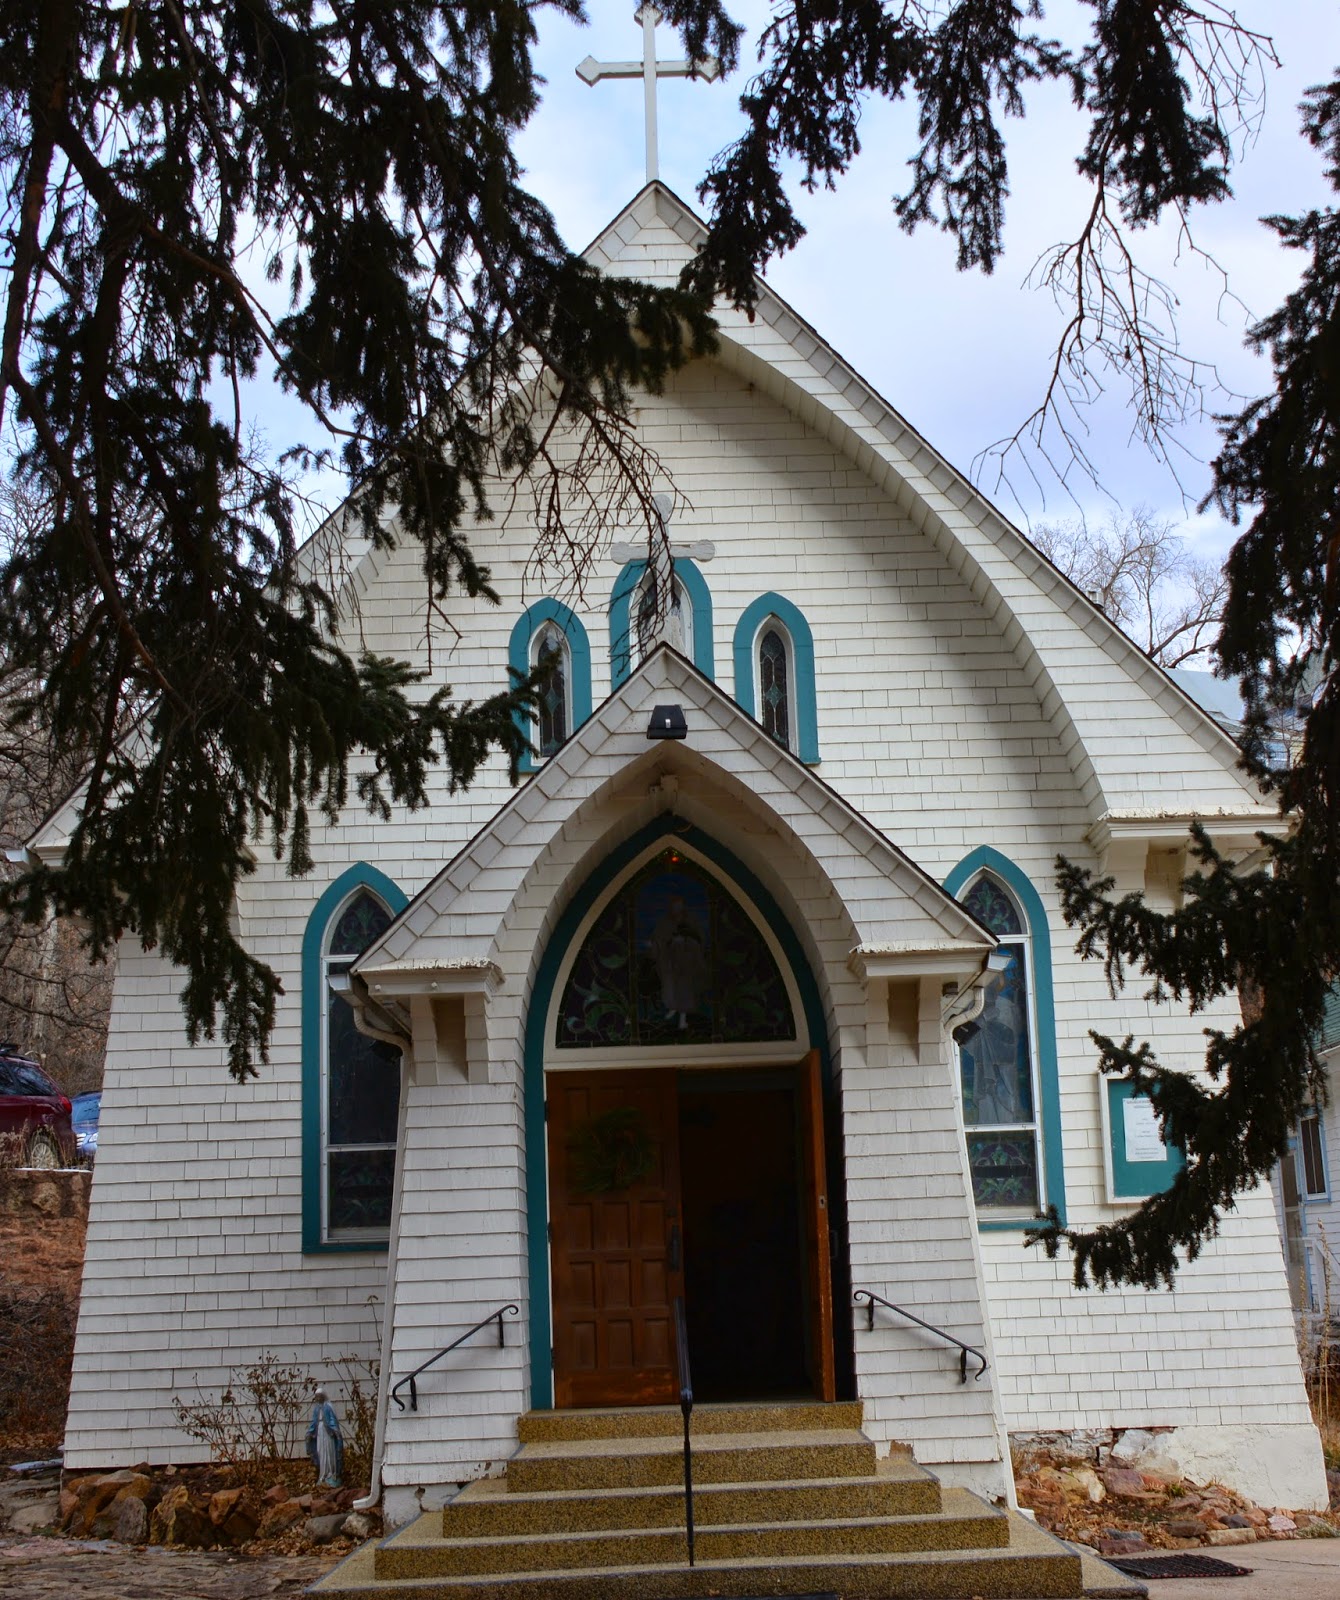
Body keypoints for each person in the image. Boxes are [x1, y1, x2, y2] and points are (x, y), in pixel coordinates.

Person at [307, 1388, 344, 1488]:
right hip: (319, 1432)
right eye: (317, 1397)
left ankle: (331, 1473)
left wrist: (335, 1430)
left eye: (320, 1397)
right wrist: (310, 1432)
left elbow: (332, 1420)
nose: (318, 1399)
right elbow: (314, 1422)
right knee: (321, 1452)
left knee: (329, 1452)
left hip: (328, 1433)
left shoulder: (328, 1407)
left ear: (323, 1397)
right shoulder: (316, 1409)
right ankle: (323, 1474)